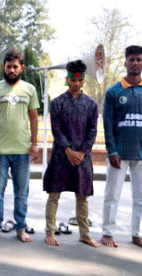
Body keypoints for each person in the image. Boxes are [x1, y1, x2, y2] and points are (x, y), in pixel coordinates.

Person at [101, 45, 142, 248]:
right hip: (119, 153)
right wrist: (112, 150)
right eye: (131, 59)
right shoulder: (114, 91)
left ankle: (137, 234)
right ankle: (108, 232)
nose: (135, 63)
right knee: (111, 194)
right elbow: (107, 123)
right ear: (125, 62)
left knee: (141, 197)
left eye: (139, 60)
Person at [0, 49, 40, 242]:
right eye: (9, 66)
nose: (12, 70)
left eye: (15, 67)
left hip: (22, 151)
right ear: (4, 67)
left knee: (21, 193)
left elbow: (34, 118)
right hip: (0, 150)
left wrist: (34, 144)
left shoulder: (29, 89)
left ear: (21, 68)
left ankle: (20, 228)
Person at [43, 60, 99, 247]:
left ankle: (84, 233)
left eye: (79, 80)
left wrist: (82, 152)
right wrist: (68, 150)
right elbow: (56, 129)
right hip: (61, 155)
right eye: (72, 79)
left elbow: (92, 131)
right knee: (54, 195)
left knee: (82, 198)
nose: (75, 83)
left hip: (82, 157)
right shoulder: (57, 103)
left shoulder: (91, 104)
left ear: (83, 81)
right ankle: (50, 232)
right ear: (67, 79)